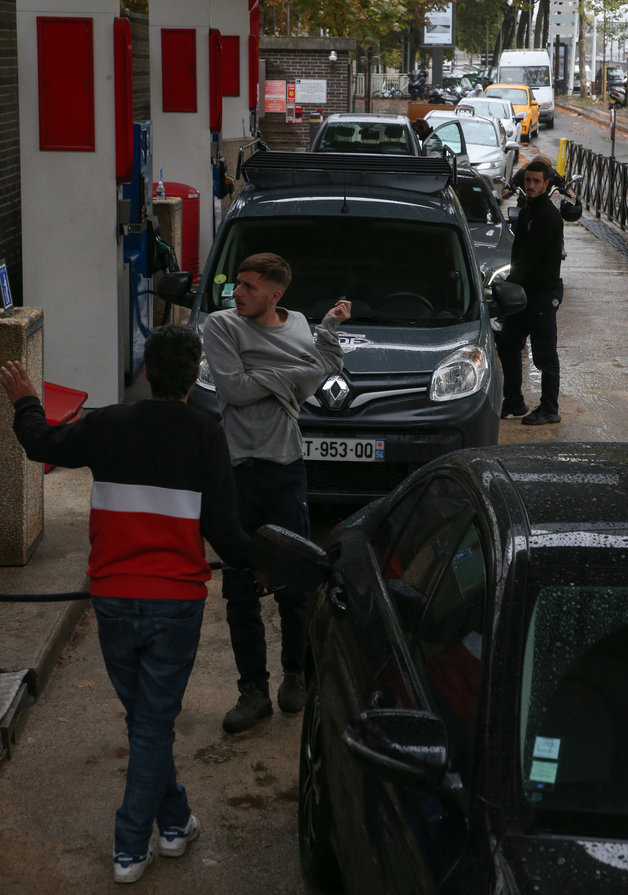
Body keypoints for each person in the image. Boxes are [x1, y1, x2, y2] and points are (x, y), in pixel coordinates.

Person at [0, 326, 254, 885]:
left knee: (146, 720)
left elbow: (41, 443)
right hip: (175, 602)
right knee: (152, 723)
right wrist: (269, 566)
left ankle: (176, 821)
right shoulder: (207, 433)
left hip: (113, 598)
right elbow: (226, 533)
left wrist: (24, 401)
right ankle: (130, 846)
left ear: (144, 372)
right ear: (193, 379)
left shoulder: (107, 423)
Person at [203, 252, 351, 734]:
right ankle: (253, 692)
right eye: (237, 285)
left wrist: (276, 375)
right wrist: (290, 377)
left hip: (287, 467)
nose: (237, 293)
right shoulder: (222, 327)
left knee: (296, 580)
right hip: (238, 472)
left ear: (275, 294)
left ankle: (295, 676)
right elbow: (234, 389)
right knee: (240, 587)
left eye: (247, 287)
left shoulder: (299, 324)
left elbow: (319, 376)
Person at [497, 158, 564, 425]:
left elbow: (530, 259)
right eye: (528, 181)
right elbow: (518, 254)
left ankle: (550, 409)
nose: (532, 185)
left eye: (537, 181)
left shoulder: (549, 217)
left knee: (545, 353)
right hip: (524, 292)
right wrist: (511, 283)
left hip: (542, 293)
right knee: (508, 345)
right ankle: (514, 401)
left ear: (546, 184)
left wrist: (505, 285)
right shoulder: (527, 211)